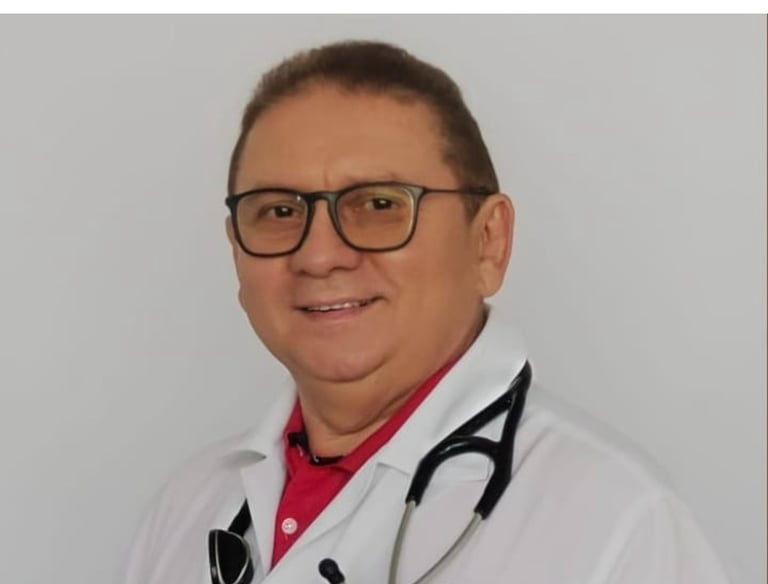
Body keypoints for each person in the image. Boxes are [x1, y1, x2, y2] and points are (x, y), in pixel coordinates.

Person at [125, 41, 730, 584]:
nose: (319, 255)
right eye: (279, 212)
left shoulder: (618, 529)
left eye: (379, 204)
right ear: (236, 250)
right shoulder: (191, 506)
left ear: (487, 242)